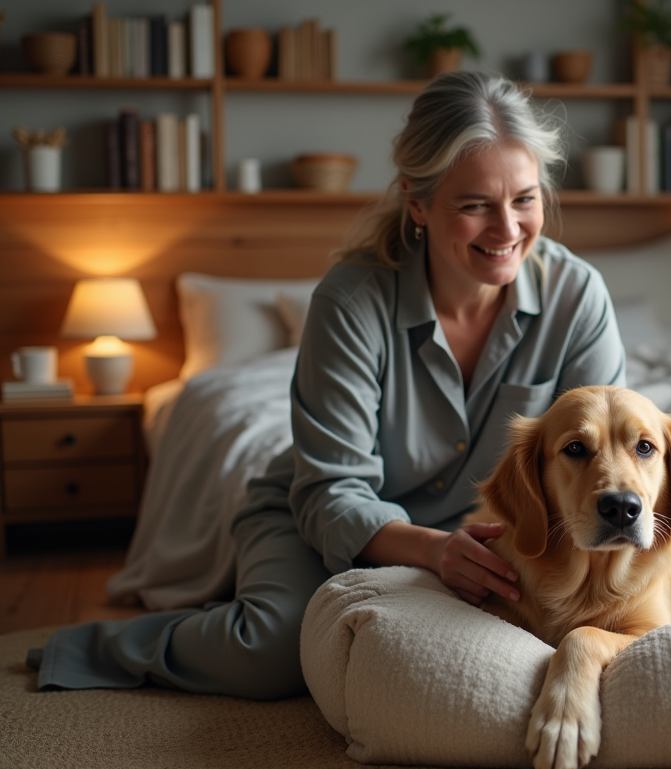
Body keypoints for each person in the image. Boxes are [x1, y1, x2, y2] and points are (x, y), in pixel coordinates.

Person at [28, 71, 626, 700]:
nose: (507, 230)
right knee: (269, 654)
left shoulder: (577, 294)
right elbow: (331, 490)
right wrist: (432, 552)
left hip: (489, 540)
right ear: (417, 203)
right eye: (475, 205)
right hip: (322, 518)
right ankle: (99, 647)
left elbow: (603, 459)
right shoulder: (350, 301)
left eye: (525, 199)